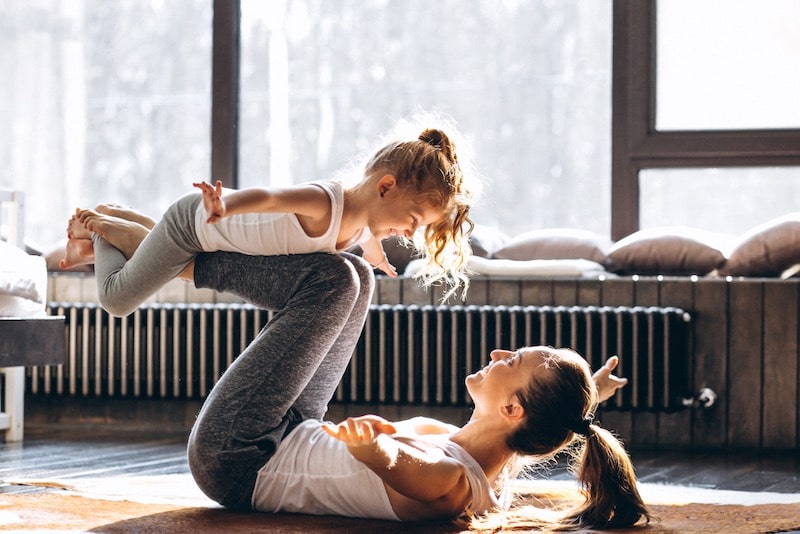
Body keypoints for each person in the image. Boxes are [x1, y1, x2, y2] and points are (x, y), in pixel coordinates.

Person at [71, 211, 648, 529]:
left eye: (512, 361)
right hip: (294, 428)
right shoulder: (490, 456)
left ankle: (167, 254)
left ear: (512, 409)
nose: (499, 354)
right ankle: (163, 250)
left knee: (331, 281)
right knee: (358, 276)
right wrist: (587, 396)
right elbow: (543, 433)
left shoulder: (452, 485)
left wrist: (378, 450)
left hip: (241, 458)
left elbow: (411, 471)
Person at [60, 126, 476, 317]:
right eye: (413, 219)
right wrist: (228, 205)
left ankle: (115, 214)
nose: (410, 232)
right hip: (195, 225)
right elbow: (271, 196)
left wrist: (377, 256)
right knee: (116, 300)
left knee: (164, 259)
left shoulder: (362, 226)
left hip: (209, 237)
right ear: (385, 187)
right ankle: (98, 230)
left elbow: (369, 239)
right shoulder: (325, 202)